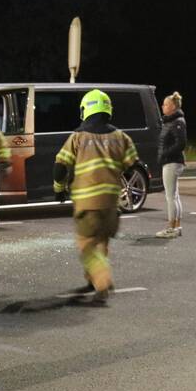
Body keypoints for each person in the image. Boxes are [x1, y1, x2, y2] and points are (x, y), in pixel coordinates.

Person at [53, 90, 140, 306]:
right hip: (111, 203)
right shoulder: (122, 138)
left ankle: (102, 281)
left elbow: (60, 166)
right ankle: (92, 280)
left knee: (86, 245)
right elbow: (133, 166)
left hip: (87, 202)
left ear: (86, 110)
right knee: (102, 242)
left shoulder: (77, 138)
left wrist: (59, 188)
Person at [155, 92, 187, 239]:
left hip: (172, 162)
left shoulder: (177, 122)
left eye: (165, 104)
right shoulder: (171, 121)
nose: (163, 106)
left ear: (173, 106)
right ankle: (177, 226)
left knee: (170, 197)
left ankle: (171, 228)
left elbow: (181, 143)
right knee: (174, 196)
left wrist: (165, 154)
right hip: (171, 161)